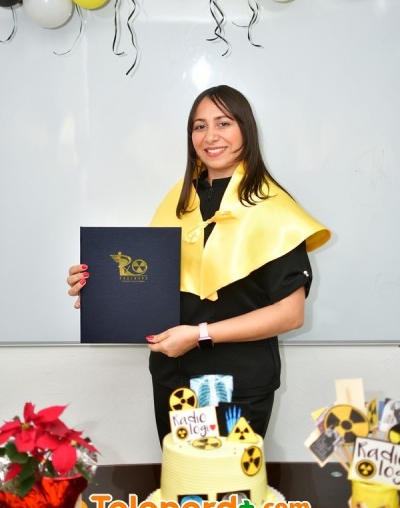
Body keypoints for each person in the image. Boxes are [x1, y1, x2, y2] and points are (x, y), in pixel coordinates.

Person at [67, 85, 330, 444]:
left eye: (223, 123)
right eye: (199, 126)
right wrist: (100, 291)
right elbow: (151, 284)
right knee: (180, 476)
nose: (210, 136)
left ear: (246, 130)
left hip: (238, 385)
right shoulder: (180, 199)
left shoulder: (272, 208)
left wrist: (199, 335)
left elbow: (290, 314)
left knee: (227, 480)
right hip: (174, 380)